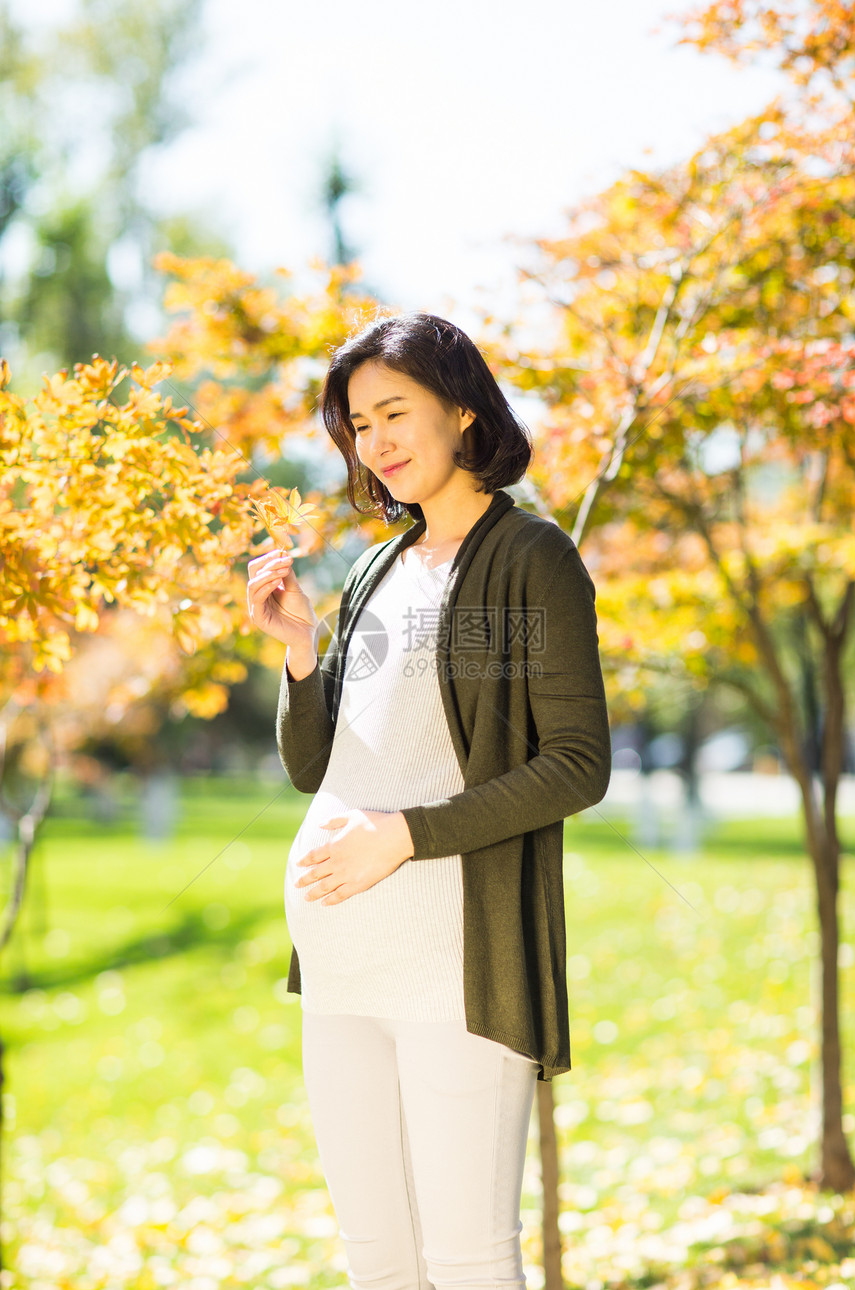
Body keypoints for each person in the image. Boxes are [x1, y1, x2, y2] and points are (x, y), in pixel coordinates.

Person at [246, 311, 612, 1290]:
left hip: (454, 966)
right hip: (338, 975)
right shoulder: (374, 569)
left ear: (460, 409)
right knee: (379, 1260)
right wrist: (296, 651)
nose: (376, 443)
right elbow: (311, 764)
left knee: (466, 1262)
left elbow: (577, 762)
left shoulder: (529, 558)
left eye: (394, 412)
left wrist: (403, 839)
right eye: (358, 425)